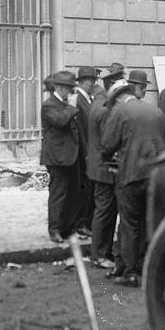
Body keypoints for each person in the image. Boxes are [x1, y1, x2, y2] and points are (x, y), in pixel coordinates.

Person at [101, 71, 165, 287]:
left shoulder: (120, 111)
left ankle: (130, 272)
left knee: (130, 223)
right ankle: (146, 266)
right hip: (156, 175)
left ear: (116, 98)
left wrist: (112, 156)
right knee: (148, 221)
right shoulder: (155, 111)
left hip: (131, 175)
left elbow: (106, 145)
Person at [40, 70, 83, 244]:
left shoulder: (64, 103)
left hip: (70, 156)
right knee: (58, 194)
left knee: (72, 193)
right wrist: (71, 107)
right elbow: (59, 121)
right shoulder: (49, 104)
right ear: (58, 87)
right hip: (56, 157)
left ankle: (67, 228)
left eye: (71, 88)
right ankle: (54, 229)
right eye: (67, 88)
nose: (70, 91)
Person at [85, 67, 119, 269]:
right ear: (111, 86)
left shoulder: (98, 102)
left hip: (97, 167)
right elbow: (109, 143)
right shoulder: (106, 109)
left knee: (103, 210)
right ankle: (99, 254)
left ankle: (102, 251)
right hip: (105, 168)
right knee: (105, 212)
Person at [72, 66, 100, 239]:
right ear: (82, 82)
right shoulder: (77, 100)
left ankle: (86, 223)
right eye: (91, 81)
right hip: (83, 153)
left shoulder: (88, 99)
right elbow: (80, 129)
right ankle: (80, 223)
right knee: (83, 189)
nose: (93, 84)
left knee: (89, 188)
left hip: (90, 150)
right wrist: (85, 151)